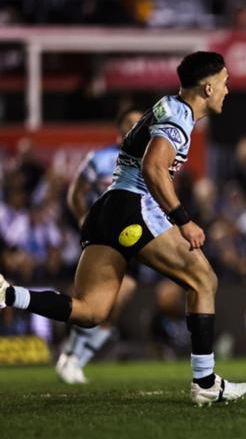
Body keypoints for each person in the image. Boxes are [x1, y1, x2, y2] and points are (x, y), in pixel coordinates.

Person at [0, 51, 246, 406]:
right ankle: (205, 381)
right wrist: (183, 220)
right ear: (208, 87)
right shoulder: (179, 117)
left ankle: (8, 295)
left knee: (91, 311)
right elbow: (153, 168)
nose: (229, 89)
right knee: (203, 279)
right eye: (225, 82)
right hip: (132, 205)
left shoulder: (170, 106)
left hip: (107, 208)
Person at [55, 107, 143, 384]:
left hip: (134, 236)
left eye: (139, 123)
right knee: (103, 298)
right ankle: (71, 355)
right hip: (103, 237)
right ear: (119, 130)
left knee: (114, 302)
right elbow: (75, 192)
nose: (136, 128)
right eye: (130, 123)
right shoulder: (101, 159)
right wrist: (84, 218)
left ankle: (75, 357)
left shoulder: (151, 159)